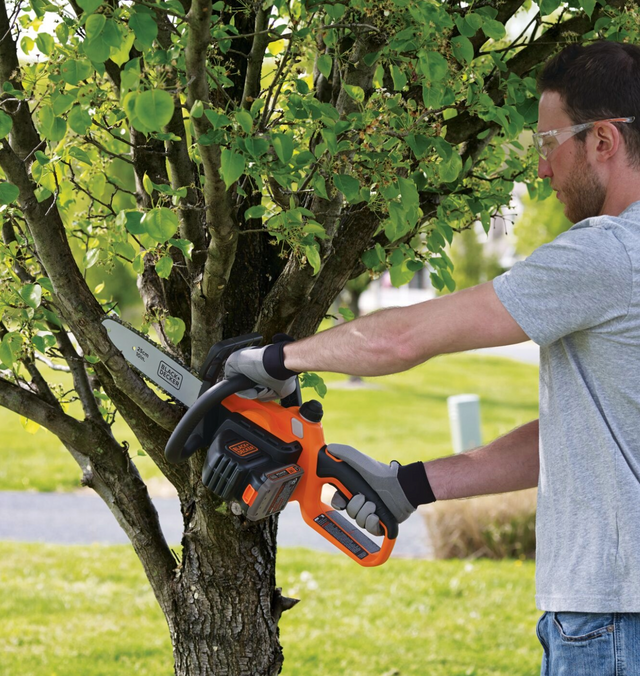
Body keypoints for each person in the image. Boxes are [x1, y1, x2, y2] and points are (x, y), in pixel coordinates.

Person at [225, 41, 640, 675]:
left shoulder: (606, 255)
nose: (543, 170)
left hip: (613, 618)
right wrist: (410, 485)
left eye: (547, 143)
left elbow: (405, 337)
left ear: (603, 141)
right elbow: (592, 436)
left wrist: (275, 359)